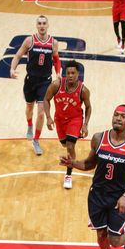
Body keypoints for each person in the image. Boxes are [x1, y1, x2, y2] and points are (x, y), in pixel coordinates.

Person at [59, 105, 125, 249]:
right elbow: (89, 163)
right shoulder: (99, 138)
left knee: (115, 240)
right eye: (116, 115)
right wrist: (73, 163)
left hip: (117, 199)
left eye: (123, 117)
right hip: (96, 196)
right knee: (101, 236)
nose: (118, 119)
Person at [9, 15, 61, 156]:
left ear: (48, 25)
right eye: (40, 23)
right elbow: (18, 56)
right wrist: (12, 69)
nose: (42, 26)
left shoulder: (53, 42)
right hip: (30, 81)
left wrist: (58, 73)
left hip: (45, 82)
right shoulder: (29, 40)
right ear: (36, 25)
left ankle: (36, 141)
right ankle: (30, 125)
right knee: (29, 108)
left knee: (41, 112)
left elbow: (56, 60)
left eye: (44, 23)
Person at [43, 60, 92, 190]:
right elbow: (46, 99)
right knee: (64, 144)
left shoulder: (83, 90)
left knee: (70, 146)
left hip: (75, 119)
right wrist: (48, 117)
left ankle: (68, 175)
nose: (70, 75)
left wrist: (85, 124)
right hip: (59, 120)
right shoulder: (56, 85)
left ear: (78, 74)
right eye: (68, 73)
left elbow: (88, 107)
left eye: (73, 73)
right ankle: (71, 143)